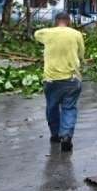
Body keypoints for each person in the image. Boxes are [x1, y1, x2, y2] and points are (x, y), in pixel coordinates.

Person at [34, 12, 85, 153]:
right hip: (71, 79)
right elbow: (81, 55)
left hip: (51, 79)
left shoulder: (47, 33)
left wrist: (52, 31)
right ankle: (66, 136)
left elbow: (36, 34)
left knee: (52, 107)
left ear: (56, 21)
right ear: (69, 21)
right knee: (69, 108)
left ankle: (55, 134)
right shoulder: (76, 34)